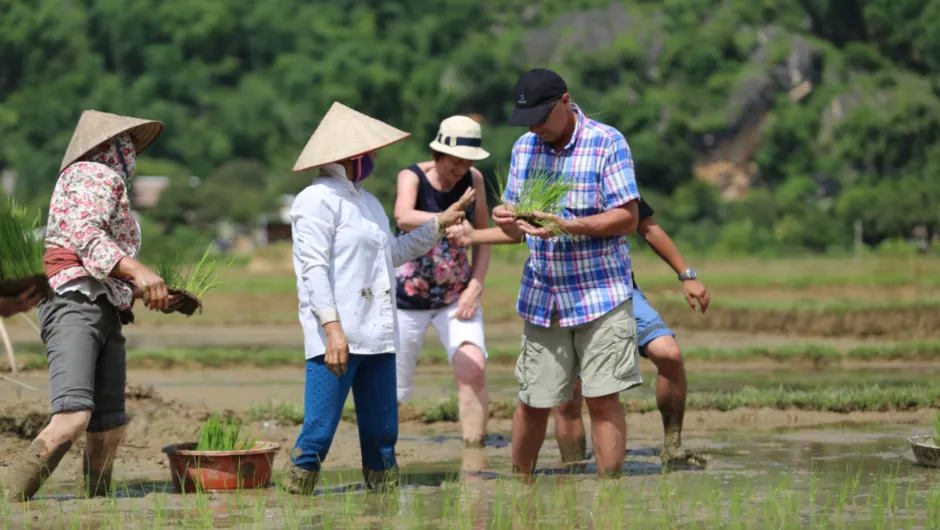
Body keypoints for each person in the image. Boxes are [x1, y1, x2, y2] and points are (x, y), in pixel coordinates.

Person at [284, 102, 475, 494]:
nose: (373, 159)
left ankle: (382, 507)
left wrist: (439, 222)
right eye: (369, 154)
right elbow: (313, 270)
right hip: (335, 338)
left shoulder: (368, 204)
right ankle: (294, 502)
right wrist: (332, 329)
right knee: (319, 434)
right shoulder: (315, 201)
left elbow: (392, 254)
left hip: (378, 334)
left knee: (383, 436)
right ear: (352, 156)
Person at [2, 110, 178, 502]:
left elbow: (103, 273)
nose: (130, 152)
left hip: (101, 307)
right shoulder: (94, 174)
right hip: (73, 304)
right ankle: (8, 500)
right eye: (126, 144)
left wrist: (149, 290)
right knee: (72, 418)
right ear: (109, 146)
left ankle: (95, 503)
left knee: (109, 426)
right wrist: (139, 270)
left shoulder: (101, 180)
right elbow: (85, 234)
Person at [493, 68, 644, 479]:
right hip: (545, 296)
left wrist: (567, 224)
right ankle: (519, 485)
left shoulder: (606, 142)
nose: (537, 128)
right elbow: (515, 228)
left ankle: (609, 494)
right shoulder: (524, 148)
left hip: (601, 294)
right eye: (529, 121)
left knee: (601, 398)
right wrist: (505, 218)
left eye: (542, 117)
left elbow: (627, 218)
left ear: (565, 102)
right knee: (533, 398)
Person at [551, 198, 711, 467]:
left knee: (669, 354)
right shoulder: (544, 172)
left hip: (618, 287)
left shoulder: (612, 169)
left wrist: (687, 275)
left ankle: (673, 446)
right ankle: (573, 470)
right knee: (570, 391)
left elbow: (646, 226)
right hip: (567, 292)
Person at [393, 115, 492, 448]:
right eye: (456, 161)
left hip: (456, 295)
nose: (461, 168)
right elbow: (403, 217)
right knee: (393, 384)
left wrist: (475, 286)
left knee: (473, 367)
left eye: (468, 162)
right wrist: (444, 220)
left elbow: (482, 235)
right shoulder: (413, 176)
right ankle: (380, 454)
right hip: (405, 300)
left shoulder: (473, 179)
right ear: (438, 154)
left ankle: (474, 451)